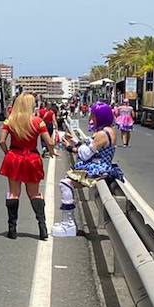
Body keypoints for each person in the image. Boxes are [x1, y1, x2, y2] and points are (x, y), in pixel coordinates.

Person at [53, 102, 123, 237]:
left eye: (94, 116)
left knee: (65, 184)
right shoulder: (109, 131)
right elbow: (91, 148)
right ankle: (68, 224)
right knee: (66, 183)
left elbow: (85, 154)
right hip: (102, 166)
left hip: (98, 168)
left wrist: (69, 147)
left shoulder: (102, 134)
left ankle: (69, 224)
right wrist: (75, 142)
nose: (92, 118)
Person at [0, 93, 49, 240]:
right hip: (32, 158)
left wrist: (8, 153)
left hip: (14, 157)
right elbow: (49, 142)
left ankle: (12, 229)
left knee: (14, 193)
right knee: (34, 193)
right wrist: (52, 151)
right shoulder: (38, 122)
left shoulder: (10, 121)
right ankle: (42, 227)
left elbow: (2, 141)